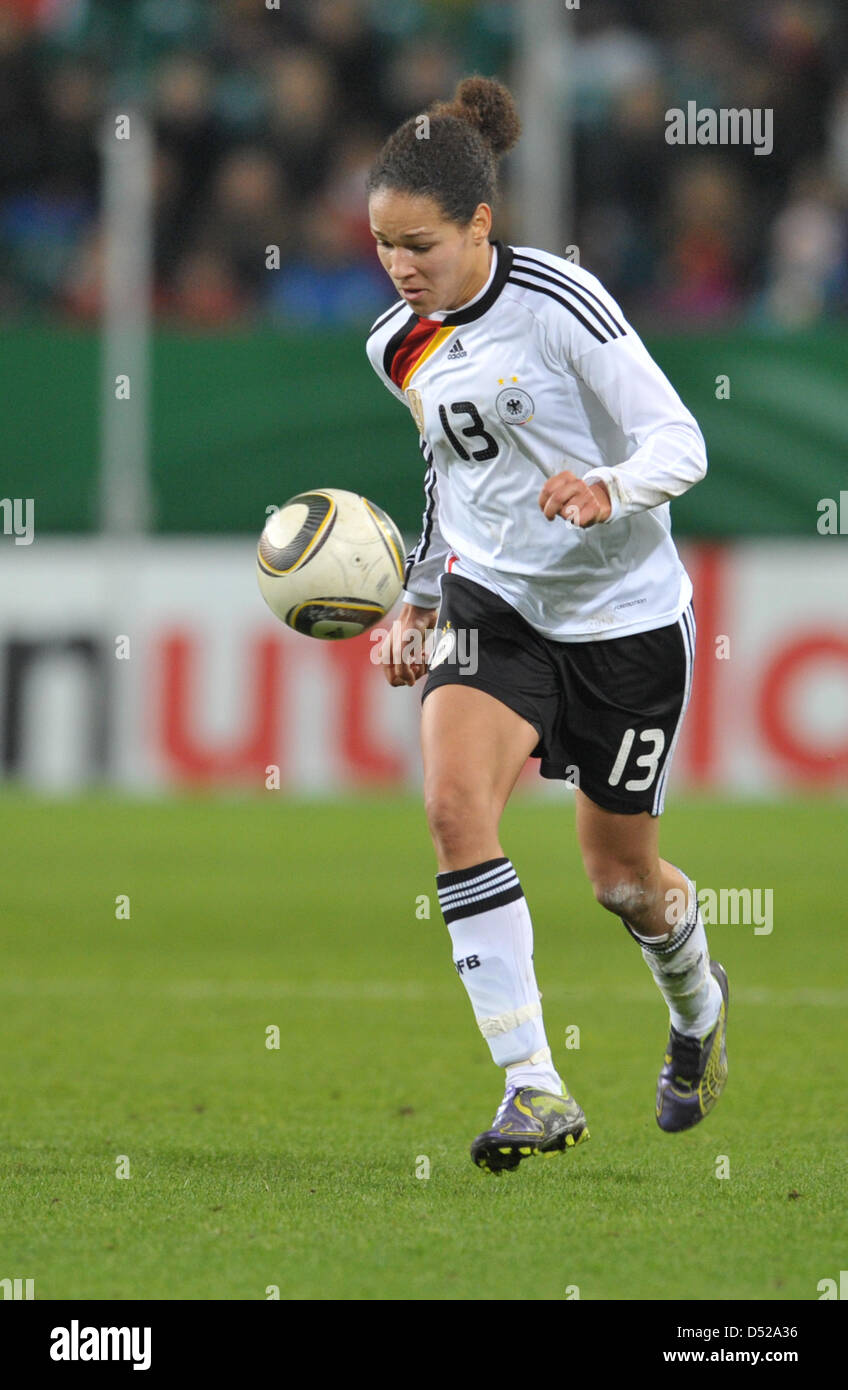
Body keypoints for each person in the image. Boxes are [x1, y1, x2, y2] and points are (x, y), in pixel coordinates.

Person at [364, 76, 728, 1174]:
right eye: (382, 245)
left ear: (481, 223)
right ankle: (532, 1080)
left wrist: (607, 488)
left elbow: (680, 441)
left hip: (622, 621)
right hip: (496, 604)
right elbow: (445, 476)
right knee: (451, 807)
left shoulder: (562, 301)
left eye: (419, 243)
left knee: (622, 881)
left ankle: (698, 1007)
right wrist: (420, 596)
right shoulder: (397, 344)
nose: (399, 268)